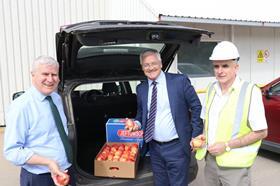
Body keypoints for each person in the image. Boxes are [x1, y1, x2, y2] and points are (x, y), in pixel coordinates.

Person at [125, 49, 203, 186]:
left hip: (177, 146)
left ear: (161, 63)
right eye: (146, 65)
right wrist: (136, 123)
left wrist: (195, 134)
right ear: (142, 68)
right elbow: (142, 113)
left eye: (153, 63)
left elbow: (196, 106)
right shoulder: (141, 88)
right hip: (154, 149)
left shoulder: (179, 81)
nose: (151, 68)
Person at [195, 41, 268, 186]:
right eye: (216, 66)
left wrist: (227, 145)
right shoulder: (211, 89)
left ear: (236, 67)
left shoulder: (250, 91)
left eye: (225, 65)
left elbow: (261, 132)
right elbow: (207, 124)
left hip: (236, 167)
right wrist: (202, 138)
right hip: (210, 162)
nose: (220, 71)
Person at [3, 56, 76, 186]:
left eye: (54, 74)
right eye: (45, 74)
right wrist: (48, 162)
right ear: (33, 75)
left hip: (65, 172)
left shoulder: (57, 99)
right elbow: (12, 151)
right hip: (40, 178)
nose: (50, 79)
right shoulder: (21, 106)